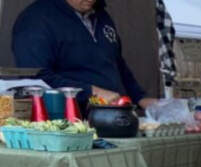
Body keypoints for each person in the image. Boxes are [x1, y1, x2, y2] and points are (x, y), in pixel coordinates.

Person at [12, 0, 157, 109]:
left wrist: (140, 98)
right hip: (67, 122)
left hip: (110, 115)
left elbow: (116, 63)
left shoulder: (100, 14)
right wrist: (90, 92)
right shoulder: (36, 20)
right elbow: (36, 78)